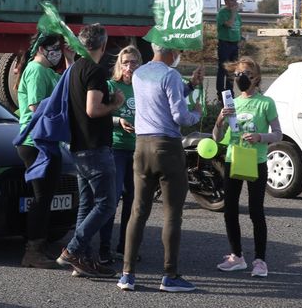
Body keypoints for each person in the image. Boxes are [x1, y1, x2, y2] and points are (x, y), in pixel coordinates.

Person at [117, 43, 203, 293]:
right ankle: (170, 274)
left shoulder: (140, 73)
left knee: (138, 210)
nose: (179, 55)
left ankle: (127, 274)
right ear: (170, 52)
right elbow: (179, 116)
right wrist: (196, 113)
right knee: (172, 212)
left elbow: (157, 100)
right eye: (178, 51)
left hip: (141, 146)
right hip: (167, 147)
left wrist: (190, 86)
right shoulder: (170, 74)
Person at [56, 24, 125, 278]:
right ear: (104, 46)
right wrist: (115, 103)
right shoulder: (94, 71)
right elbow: (92, 109)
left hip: (78, 147)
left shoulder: (75, 68)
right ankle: (73, 250)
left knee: (86, 205)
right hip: (95, 147)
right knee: (106, 204)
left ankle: (82, 260)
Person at [211, 56, 281, 278]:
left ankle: (260, 260)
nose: (242, 78)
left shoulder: (265, 103)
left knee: (255, 211)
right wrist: (220, 120)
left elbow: (278, 134)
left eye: (247, 75)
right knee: (230, 209)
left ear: (256, 78)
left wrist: (260, 136)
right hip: (233, 159)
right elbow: (217, 137)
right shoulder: (232, 103)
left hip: (256, 161)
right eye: (239, 74)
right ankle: (236, 256)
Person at [14, 33, 72, 269]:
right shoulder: (36, 70)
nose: (57, 51)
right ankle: (33, 250)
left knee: (45, 197)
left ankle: (39, 244)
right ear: (42, 48)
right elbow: (37, 107)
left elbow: (69, 85)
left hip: (46, 142)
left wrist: (69, 59)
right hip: (36, 142)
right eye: (55, 48)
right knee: (41, 199)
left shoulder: (46, 70)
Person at [97, 45, 141, 266]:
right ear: (119, 65)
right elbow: (97, 114)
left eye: (133, 62)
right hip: (116, 148)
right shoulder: (110, 86)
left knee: (134, 202)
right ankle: (104, 248)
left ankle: (126, 247)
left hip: (138, 150)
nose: (129, 66)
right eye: (125, 62)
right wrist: (118, 121)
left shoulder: (142, 87)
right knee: (112, 199)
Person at [216, 0, 243, 98]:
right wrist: (232, 13)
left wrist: (240, 39)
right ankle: (220, 93)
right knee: (223, 69)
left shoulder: (237, 14)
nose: (235, 1)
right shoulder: (222, 13)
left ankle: (229, 93)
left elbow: (238, 26)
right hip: (224, 44)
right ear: (226, 1)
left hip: (234, 44)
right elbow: (229, 24)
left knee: (232, 69)